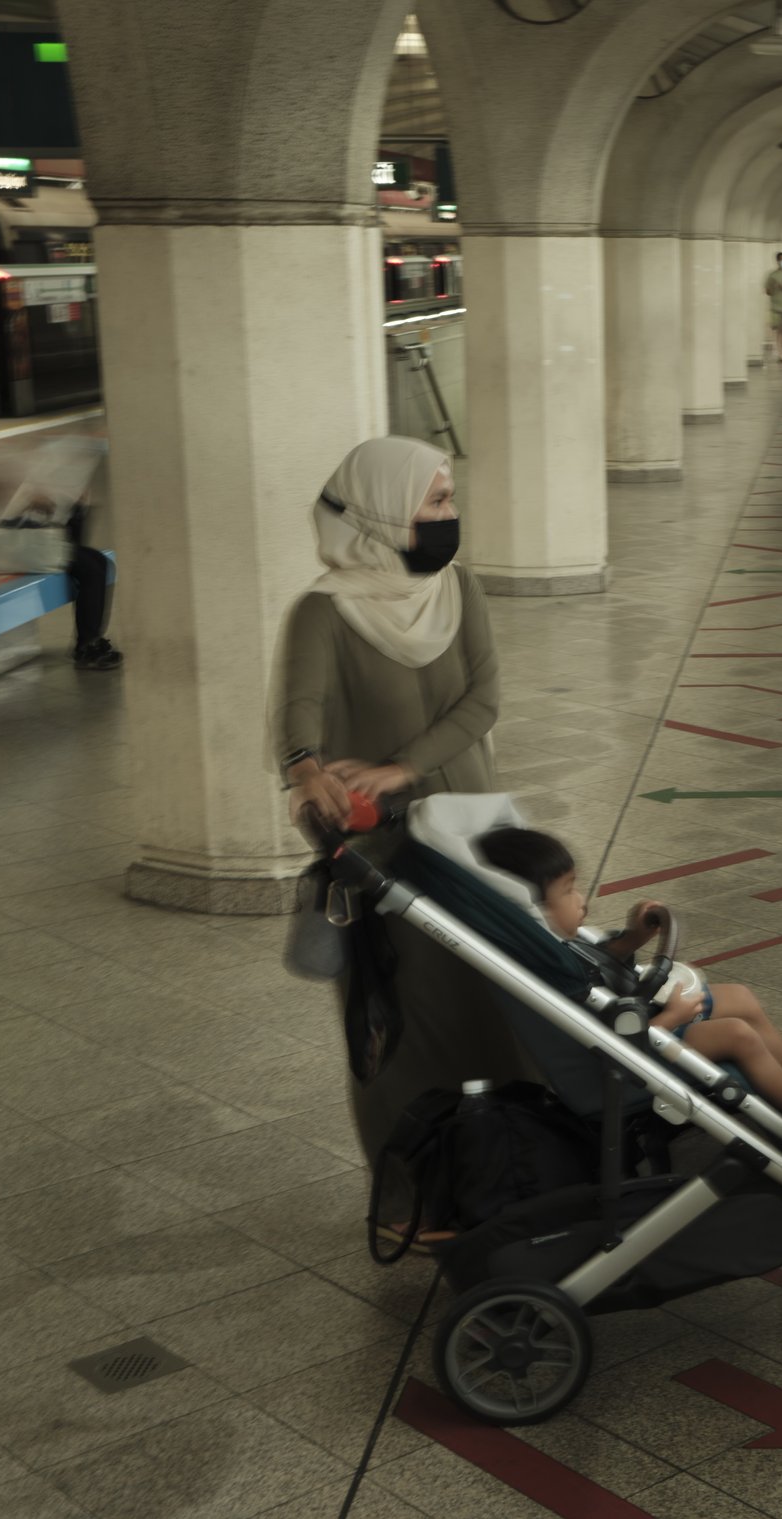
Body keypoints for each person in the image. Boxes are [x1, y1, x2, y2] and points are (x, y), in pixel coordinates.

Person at [273, 434, 527, 1167]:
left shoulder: (460, 589)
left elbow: (484, 701)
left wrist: (402, 766)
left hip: (472, 826)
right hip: (386, 851)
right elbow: (299, 708)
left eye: (450, 499)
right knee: (406, 1014)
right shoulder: (322, 613)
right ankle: (409, 1189)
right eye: (437, 502)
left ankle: (512, 1160)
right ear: (382, 514)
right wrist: (306, 768)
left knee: (498, 995)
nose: (452, 516)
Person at [475, 826, 782, 1155]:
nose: (580, 898)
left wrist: (634, 938)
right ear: (532, 909)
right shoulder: (545, 965)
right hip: (624, 1068)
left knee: (739, 997)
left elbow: (601, 969)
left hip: (636, 1035)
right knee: (736, 1034)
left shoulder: (549, 948)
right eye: (567, 890)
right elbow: (609, 1040)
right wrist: (671, 1019)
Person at [0, 436, 119, 669]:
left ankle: (90, 640)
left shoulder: (67, 484)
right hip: (20, 546)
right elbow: (26, 523)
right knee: (93, 568)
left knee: (101, 563)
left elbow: (72, 540)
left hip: (42, 544)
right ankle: (85, 646)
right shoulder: (37, 483)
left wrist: (79, 507)